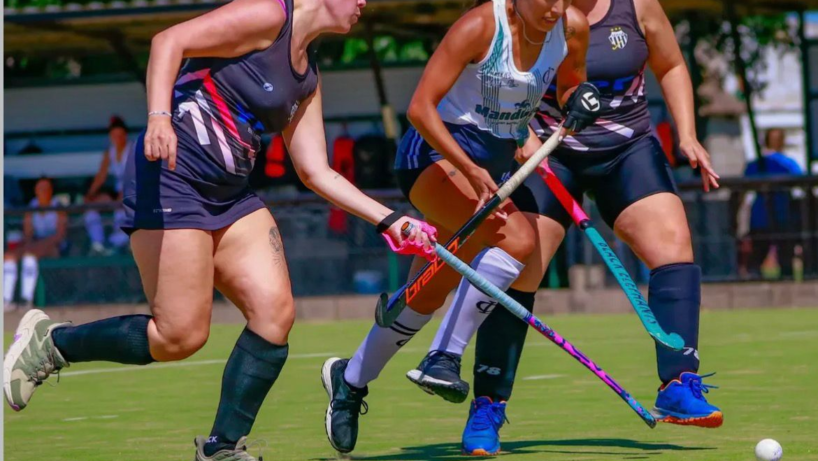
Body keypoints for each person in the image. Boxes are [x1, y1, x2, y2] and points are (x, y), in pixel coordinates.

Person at [3, 0, 436, 459]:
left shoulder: (308, 77)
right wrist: (159, 117)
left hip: (229, 195)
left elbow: (315, 171)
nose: (364, 3)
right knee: (180, 337)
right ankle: (52, 344)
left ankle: (221, 447)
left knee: (274, 315)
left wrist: (391, 219)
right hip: (173, 179)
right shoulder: (270, 15)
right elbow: (168, 41)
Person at [413, 0, 725, 454]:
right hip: (546, 152)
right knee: (520, 266)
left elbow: (672, 64)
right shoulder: (521, 12)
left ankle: (679, 383)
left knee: (673, 244)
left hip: (627, 147)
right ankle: (487, 405)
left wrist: (688, 133)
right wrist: (518, 135)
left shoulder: (637, 7)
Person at [321, 0, 598, 454]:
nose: (554, 7)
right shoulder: (480, 27)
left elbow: (570, 85)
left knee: (430, 290)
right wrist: (468, 168)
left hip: (489, 168)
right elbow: (420, 109)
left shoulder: (572, 28)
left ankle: (349, 380)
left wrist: (579, 101)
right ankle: (444, 356)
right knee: (518, 239)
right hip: (433, 159)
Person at [743, 128, 804, 279]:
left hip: (764, 217)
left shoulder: (758, 164)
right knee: (784, 261)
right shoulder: (788, 164)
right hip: (779, 216)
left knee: (757, 260)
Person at [3, 177, 68, 311]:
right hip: (35, 244)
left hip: (54, 246)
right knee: (9, 257)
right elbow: (28, 234)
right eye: (40, 188)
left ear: (51, 190)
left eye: (45, 188)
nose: (42, 191)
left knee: (30, 256)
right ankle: (6, 299)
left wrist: (39, 245)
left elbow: (59, 236)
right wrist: (32, 244)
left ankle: (26, 299)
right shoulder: (31, 207)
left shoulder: (58, 206)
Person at [83, 115, 134, 255]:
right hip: (117, 191)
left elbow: (135, 176)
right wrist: (90, 194)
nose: (118, 139)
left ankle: (116, 243)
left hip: (133, 190)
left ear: (125, 135)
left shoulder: (132, 148)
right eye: (114, 136)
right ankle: (98, 243)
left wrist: (124, 194)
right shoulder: (110, 152)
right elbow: (101, 176)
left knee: (121, 211)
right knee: (92, 207)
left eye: (120, 135)